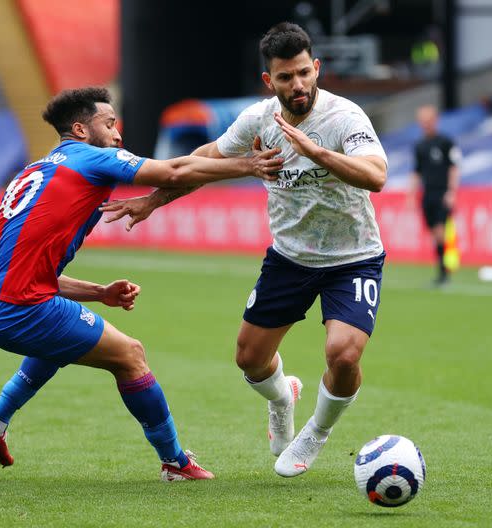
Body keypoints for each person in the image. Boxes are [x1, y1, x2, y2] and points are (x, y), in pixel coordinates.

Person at [102, 22, 388, 478]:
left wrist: (315, 152)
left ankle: (316, 430)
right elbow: (205, 160)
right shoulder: (258, 120)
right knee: (249, 360)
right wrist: (154, 200)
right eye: (285, 77)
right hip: (290, 258)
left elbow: (375, 176)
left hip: (352, 257)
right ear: (268, 81)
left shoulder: (345, 118)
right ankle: (282, 397)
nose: (297, 85)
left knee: (344, 353)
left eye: (303, 74)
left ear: (316, 68)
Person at [0, 87, 282, 481]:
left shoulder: (37, 169)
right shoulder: (92, 158)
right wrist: (247, 166)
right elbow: (174, 172)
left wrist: (99, 293)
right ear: (80, 129)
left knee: (60, 340)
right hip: (15, 307)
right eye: (109, 124)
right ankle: (175, 462)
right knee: (130, 355)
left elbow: (27, 270)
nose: (118, 134)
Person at [409, 105, 461, 286]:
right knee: (433, 231)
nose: (425, 125)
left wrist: (451, 191)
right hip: (427, 193)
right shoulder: (420, 145)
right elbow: (416, 171)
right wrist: (411, 194)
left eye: (428, 121)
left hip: (442, 192)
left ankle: (443, 272)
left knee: (440, 231)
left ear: (435, 121)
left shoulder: (446, 142)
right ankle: (442, 268)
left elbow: (454, 167)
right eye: (422, 122)